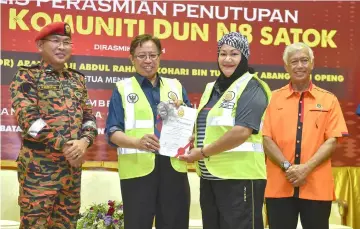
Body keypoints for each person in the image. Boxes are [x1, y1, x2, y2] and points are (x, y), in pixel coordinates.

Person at [9, 22, 98, 228]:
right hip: (39, 170)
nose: (62, 47)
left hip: (71, 171)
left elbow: (89, 118)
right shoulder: (26, 76)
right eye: (56, 41)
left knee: (67, 225)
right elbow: (29, 121)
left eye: (67, 42)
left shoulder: (77, 80)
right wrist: (66, 146)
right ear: (40, 46)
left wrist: (84, 142)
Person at [179, 32, 272, 229]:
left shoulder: (253, 87)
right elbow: (212, 126)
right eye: (222, 53)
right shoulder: (211, 87)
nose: (227, 59)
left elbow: (242, 131)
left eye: (234, 54)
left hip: (240, 179)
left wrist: (202, 152)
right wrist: (192, 138)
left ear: (244, 56)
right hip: (210, 177)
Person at [105, 34, 191, 229]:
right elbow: (112, 132)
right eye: (142, 56)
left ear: (160, 57)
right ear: (132, 59)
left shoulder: (175, 86)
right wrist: (137, 142)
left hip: (173, 169)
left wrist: (188, 132)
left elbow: (188, 125)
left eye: (153, 55)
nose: (148, 61)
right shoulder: (122, 89)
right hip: (138, 172)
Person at [262, 42, 349, 229]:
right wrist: (288, 167)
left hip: (316, 187)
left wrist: (305, 169)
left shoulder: (329, 99)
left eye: (304, 60)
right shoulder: (272, 99)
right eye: (294, 62)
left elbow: (332, 141)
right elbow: (266, 138)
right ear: (286, 67)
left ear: (312, 64)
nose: (299, 66)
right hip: (279, 186)